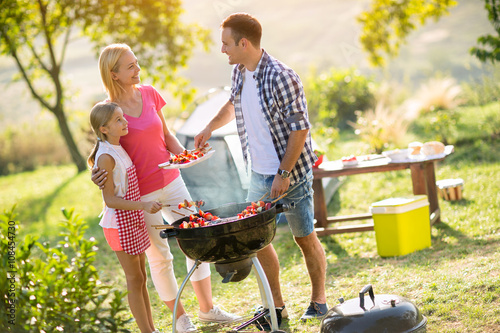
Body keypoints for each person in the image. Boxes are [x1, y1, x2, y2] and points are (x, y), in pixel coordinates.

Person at [91, 43, 240, 333]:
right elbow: (104, 153)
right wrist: (95, 175)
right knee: (160, 257)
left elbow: (166, 134)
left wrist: (186, 154)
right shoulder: (109, 112)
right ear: (114, 74)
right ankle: (181, 320)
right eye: (130, 66)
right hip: (141, 195)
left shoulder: (149, 94)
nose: (138, 70)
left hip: (172, 182)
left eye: (137, 63)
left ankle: (208, 309)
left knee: (197, 239)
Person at [194, 12, 328, 325]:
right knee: (258, 241)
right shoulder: (239, 72)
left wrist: (283, 174)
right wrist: (210, 127)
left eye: (227, 44)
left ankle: (318, 300)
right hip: (259, 174)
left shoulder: (282, 76)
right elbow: (232, 103)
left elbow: (300, 129)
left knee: (304, 236)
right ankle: (276, 306)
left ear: (244, 43)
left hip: (290, 174)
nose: (223, 50)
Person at [88, 101, 162, 333]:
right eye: (118, 120)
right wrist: (144, 204)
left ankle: (151, 329)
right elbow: (110, 200)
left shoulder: (118, 147)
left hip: (131, 220)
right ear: (104, 129)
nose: (125, 122)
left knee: (141, 278)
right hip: (119, 224)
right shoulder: (106, 157)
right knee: (134, 279)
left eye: (123, 117)